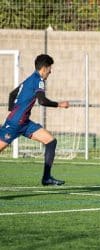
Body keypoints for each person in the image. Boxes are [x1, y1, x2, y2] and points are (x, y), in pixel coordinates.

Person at [0, 54, 69, 186]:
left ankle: (47, 178)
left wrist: (14, 112)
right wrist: (59, 104)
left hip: (24, 123)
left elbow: (12, 94)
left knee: (51, 141)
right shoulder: (38, 80)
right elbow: (42, 101)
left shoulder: (29, 79)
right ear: (44, 68)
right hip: (15, 123)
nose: (50, 71)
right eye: (50, 68)